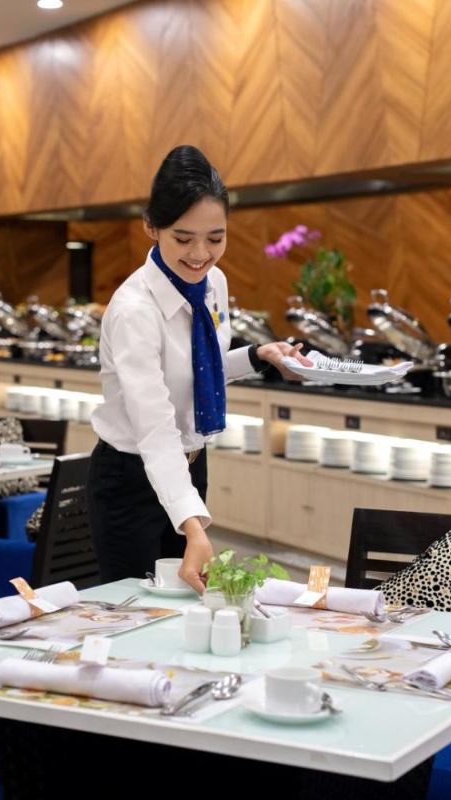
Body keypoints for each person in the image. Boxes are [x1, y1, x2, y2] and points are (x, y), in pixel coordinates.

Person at [88, 145, 311, 593]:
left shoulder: (212, 284)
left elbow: (197, 370)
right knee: (137, 613)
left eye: (215, 238)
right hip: (130, 479)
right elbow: (154, 428)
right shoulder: (135, 311)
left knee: (185, 605)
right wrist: (194, 526)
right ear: (151, 227)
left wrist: (258, 356)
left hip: (191, 464)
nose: (200, 254)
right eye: (183, 238)